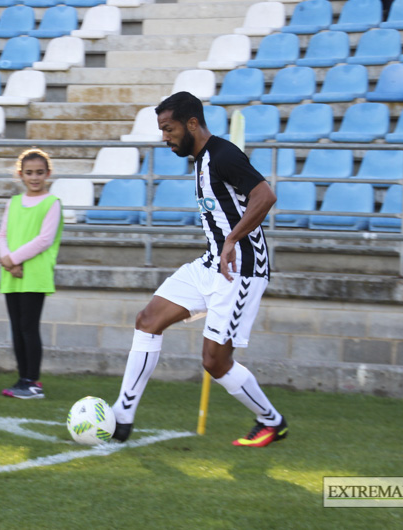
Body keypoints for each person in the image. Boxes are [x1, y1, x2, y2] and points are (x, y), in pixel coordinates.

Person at [111, 92, 287, 447]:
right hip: (211, 263)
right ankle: (122, 417)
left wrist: (233, 240)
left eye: (169, 128)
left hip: (242, 270)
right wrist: (222, 246)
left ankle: (272, 421)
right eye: (162, 130)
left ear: (192, 124)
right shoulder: (201, 160)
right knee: (148, 320)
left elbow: (265, 196)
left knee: (215, 361)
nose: (165, 137)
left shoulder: (223, 155)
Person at [0, 148, 64, 399]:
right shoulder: (12, 203)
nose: (34, 177)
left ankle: (32, 382)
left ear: (47, 174)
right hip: (11, 274)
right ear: (20, 174)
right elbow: (1, 235)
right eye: (28, 173)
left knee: (29, 327)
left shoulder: (52, 203)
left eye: (39, 173)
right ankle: (22, 378)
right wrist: (7, 261)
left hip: (34, 274)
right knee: (16, 328)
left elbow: (44, 240)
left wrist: (12, 259)